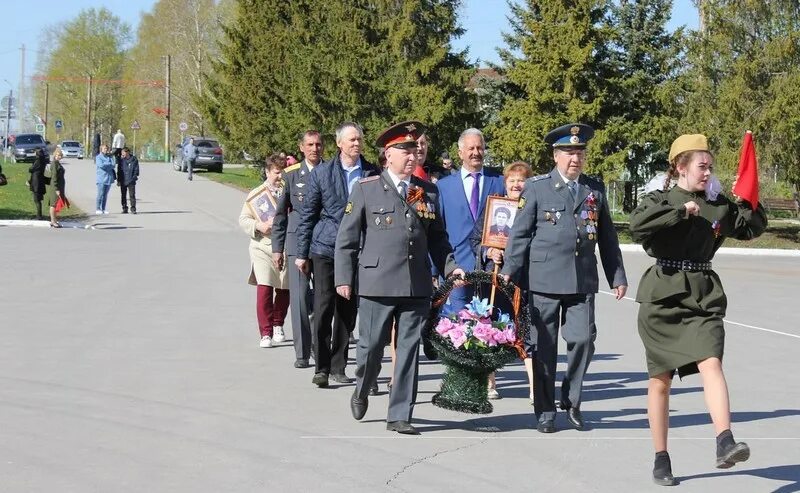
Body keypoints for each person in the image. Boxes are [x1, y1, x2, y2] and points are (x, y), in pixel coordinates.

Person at [629, 134, 767, 486]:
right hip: (663, 298)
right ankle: (661, 458)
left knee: (711, 361)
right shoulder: (660, 199)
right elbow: (637, 227)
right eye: (701, 166)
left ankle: (725, 441)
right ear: (680, 167)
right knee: (660, 381)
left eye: (710, 167)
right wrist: (680, 212)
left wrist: (748, 197)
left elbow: (751, 228)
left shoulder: (717, 204)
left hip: (703, 296)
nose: (708, 173)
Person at [336, 121, 465, 435]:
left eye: (414, 149)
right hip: (377, 283)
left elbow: (438, 238)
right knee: (369, 348)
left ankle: (399, 414)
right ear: (387, 155)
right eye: (404, 150)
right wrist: (344, 278)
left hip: (415, 283)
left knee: (408, 350)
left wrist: (451, 267)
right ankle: (362, 386)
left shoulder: (428, 191)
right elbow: (347, 238)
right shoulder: (365, 189)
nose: (412, 155)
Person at [501, 123, 628, 434]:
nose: (576, 158)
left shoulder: (593, 190)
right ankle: (544, 410)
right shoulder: (536, 187)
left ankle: (571, 400)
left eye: (580, 152)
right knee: (544, 348)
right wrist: (509, 270)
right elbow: (520, 234)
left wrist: (617, 276)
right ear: (556, 155)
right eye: (569, 153)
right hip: (544, 280)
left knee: (583, 340)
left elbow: (607, 237)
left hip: (581, 281)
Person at [295, 122, 380, 388]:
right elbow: (308, 215)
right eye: (352, 140)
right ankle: (320, 367)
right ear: (340, 143)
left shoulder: (372, 173)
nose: (356, 144)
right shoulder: (321, 173)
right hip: (325, 249)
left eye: (359, 140)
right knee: (322, 308)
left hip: (358, 250)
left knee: (347, 311)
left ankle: (338, 364)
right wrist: (301, 253)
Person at [470, 161, 535, 401]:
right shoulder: (492, 208)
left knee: (527, 333)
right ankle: (490, 382)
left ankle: (534, 387)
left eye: (521, 180)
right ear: (505, 183)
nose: (517, 184)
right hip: (494, 280)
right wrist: (489, 252)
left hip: (523, 280)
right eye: (512, 180)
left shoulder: (533, 207)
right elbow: (475, 240)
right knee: (491, 329)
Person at [435, 128, 505, 313]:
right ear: (460, 153)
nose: (476, 152)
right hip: (456, 267)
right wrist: (435, 271)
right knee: (457, 330)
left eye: (480, 148)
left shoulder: (499, 181)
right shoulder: (443, 187)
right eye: (471, 148)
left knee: (490, 331)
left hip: (490, 268)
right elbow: (436, 231)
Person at [272, 130, 323, 369]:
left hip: (322, 243)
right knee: (300, 299)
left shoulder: (330, 172)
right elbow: (281, 214)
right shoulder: (291, 175)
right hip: (295, 243)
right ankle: (302, 353)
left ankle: (320, 345)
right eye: (310, 145)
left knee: (323, 300)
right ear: (301, 147)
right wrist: (277, 248)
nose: (315, 148)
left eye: (318, 144)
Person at [240, 154, 290, 348]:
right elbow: (243, 219)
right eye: (277, 172)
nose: (279, 177)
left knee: (284, 288)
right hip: (262, 246)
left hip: (285, 245)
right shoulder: (256, 194)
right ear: (268, 172)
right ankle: (266, 331)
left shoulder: (289, 191)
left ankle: (278, 324)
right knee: (265, 287)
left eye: (282, 172)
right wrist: (259, 226)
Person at [47, 149, 67, 228]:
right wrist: (56, 189)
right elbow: (54, 177)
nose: (59, 156)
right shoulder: (54, 164)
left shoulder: (58, 163)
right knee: (53, 204)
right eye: (57, 155)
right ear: (54, 155)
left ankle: (54, 220)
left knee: (56, 204)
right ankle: (52, 221)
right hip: (55, 187)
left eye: (60, 155)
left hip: (60, 186)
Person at [117, 147, 140, 214]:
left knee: (132, 195)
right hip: (123, 180)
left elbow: (136, 170)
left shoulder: (134, 159)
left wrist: (134, 177)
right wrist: (118, 180)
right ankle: (124, 208)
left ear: (127, 152)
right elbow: (119, 171)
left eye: (123, 152)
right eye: (122, 153)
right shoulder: (121, 160)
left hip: (131, 180)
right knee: (123, 195)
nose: (122, 154)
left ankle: (133, 208)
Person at [95, 144, 115, 215]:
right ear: (101, 149)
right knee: (100, 194)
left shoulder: (110, 157)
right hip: (101, 179)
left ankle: (103, 209)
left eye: (106, 148)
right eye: (104, 148)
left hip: (108, 179)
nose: (106, 150)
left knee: (105, 195)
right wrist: (108, 165)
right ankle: (98, 208)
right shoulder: (98, 157)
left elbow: (113, 164)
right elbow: (101, 165)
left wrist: (108, 164)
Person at [28, 148, 48, 220]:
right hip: (39, 181)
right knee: (38, 200)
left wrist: (31, 165)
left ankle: (39, 216)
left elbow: (31, 169)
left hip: (36, 182)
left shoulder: (38, 161)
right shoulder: (43, 160)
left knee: (37, 200)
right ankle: (39, 214)